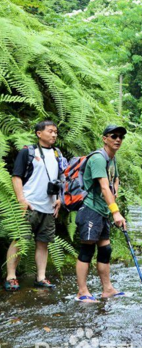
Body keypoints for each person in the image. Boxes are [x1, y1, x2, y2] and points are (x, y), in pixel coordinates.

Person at [5, 120, 65, 291]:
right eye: (50, 131)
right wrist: (21, 200)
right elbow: (16, 177)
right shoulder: (28, 152)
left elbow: (61, 177)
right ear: (39, 133)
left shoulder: (57, 154)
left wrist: (59, 198)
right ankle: (11, 276)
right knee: (19, 240)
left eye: (56, 132)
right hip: (30, 205)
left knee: (43, 243)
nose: (54, 134)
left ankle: (41, 277)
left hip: (49, 207)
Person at [74, 125, 128, 302]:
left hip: (102, 211)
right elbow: (104, 186)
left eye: (121, 136)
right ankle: (82, 291)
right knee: (87, 249)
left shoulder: (112, 159)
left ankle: (108, 289)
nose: (118, 139)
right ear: (105, 138)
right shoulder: (98, 158)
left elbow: (115, 179)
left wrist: (115, 194)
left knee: (105, 249)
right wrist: (116, 212)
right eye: (114, 136)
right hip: (90, 209)